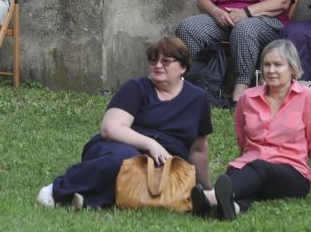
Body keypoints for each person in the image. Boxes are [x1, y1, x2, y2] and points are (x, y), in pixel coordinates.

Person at [36, 37, 212, 210]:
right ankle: (56, 189)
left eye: (166, 61)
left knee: (159, 184)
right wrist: (151, 144)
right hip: (119, 146)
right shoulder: (136, 87)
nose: (158, 65)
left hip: (166, 162)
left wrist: (206, 188)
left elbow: (198, 149)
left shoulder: (198, 98)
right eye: (153, 60)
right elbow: (110, 128)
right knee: (126, 162)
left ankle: (89, 199)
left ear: (183, 67)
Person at [190, 39, 311, 220]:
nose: (271, 70)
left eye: (278, 65)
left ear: (293, 69)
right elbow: (243, 141)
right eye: (266, 64)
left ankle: (209, 198)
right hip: (250, 166)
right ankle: (232, 208)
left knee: (257, 169)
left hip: (291, 173)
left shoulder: (309, 99)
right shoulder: (248, 98)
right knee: (244, 177)